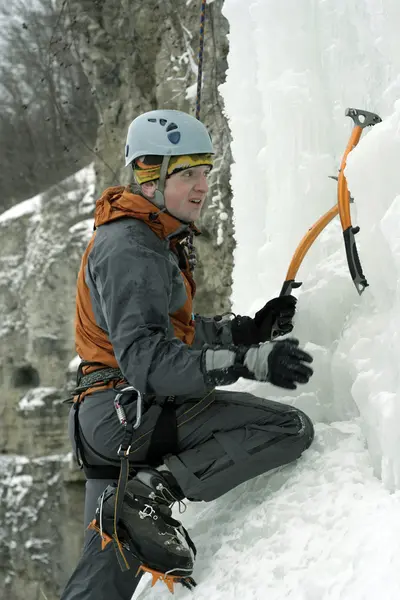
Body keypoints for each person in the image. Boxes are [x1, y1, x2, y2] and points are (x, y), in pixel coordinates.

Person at [60, 109, 314, 600]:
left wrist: (244, 331)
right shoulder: (131, 247)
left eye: (206, 172)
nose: (202, 187)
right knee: (287, 428)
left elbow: (167, 331)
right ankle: (149, 493)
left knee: (106, 575)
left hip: (108, 416)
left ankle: (134, 500)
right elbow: (149, 361)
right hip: (128, 414)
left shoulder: (143, 236)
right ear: (151, 177)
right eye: (187, 174)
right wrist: (246, 361)